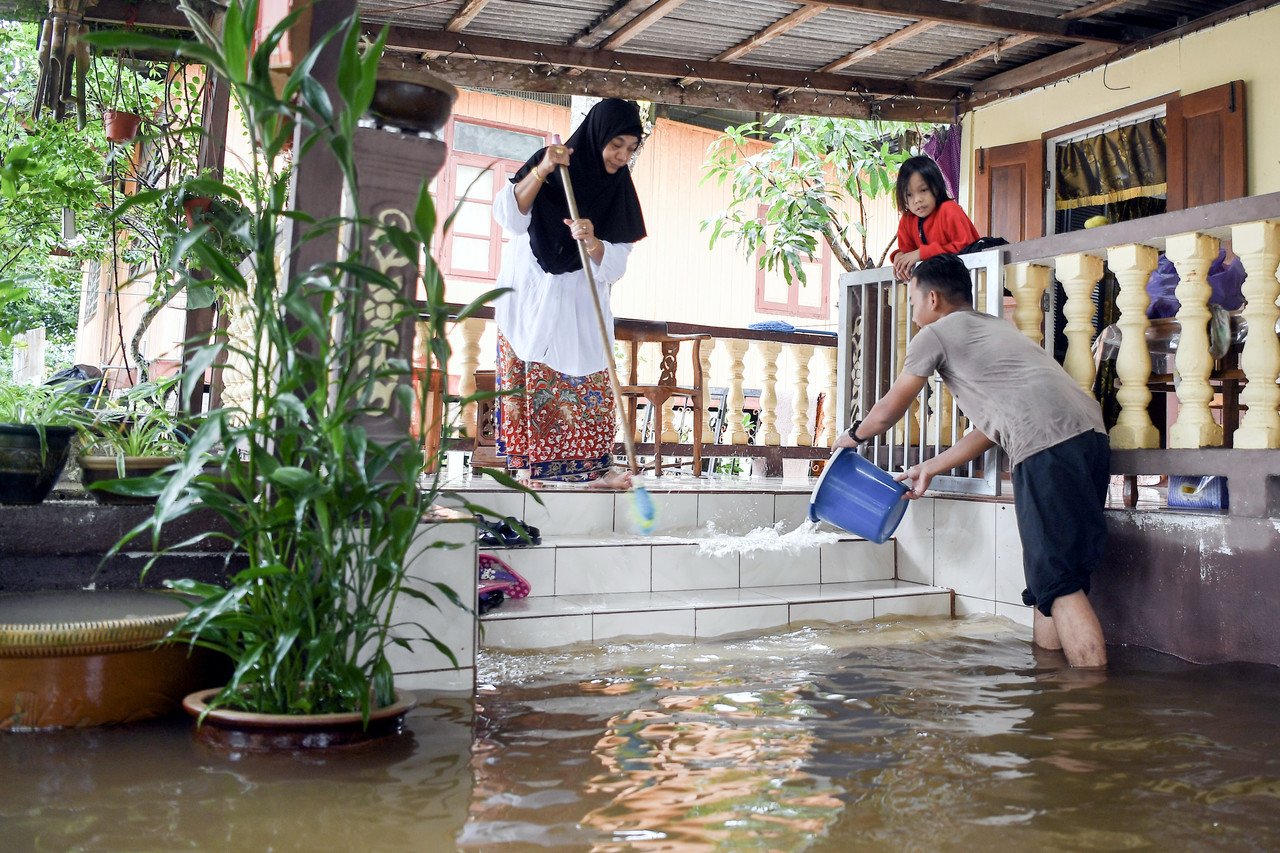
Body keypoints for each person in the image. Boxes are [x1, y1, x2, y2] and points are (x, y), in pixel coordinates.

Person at [834, 254, 1110, 668]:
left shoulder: (935, 334)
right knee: (1049, 580)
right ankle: (1053, 695)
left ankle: (1090, 710)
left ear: (931, 298)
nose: (913, 313)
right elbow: (990, 427)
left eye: (912, 303)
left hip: (1045, 446)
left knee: (1059, 582)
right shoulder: (997, 328)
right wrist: (932, 465)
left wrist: (852, 437)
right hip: (1090, 438)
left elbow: (892, 408)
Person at [492, 98, 647, 488]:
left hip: (580, 301)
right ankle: (527, 469)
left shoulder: (619, 190)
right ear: (598, 136)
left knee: (589, 380)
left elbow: (618, 263)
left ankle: (594, 472)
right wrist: (543, 169)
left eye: (631, 148)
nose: (622, 155)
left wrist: (593, 242)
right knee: (529, 377)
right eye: (617, 144)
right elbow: (510, 218)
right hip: (530, 292)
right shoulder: (551, 165)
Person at [890, 155, 980, 282]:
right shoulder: (907, 220)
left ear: (937, 187)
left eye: (923, 190)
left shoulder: (949, 209)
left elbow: (965, 248)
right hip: (937, 286)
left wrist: (922, 253)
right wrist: (899, 256)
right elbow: (909, 252)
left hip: (968, 284)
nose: (917, 200)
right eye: (909, 194)